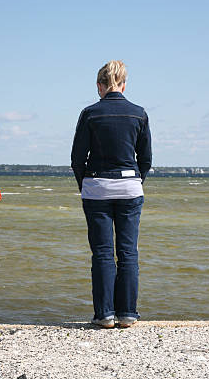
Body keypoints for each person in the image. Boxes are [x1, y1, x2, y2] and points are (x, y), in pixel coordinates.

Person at [71, 60, 152, 328]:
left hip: (97, 188)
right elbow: (146, 159)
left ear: (99, 86)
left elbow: (77, 158)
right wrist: (134, 180)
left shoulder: (90, 113)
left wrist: (86, 184)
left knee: (103, 253)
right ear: (124, 85)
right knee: (128, 252)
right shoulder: (139, 113)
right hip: (130, 186)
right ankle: (127, 313)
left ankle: (104, 314)